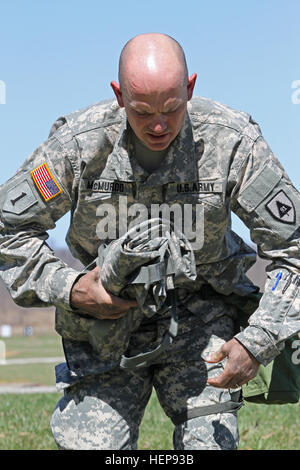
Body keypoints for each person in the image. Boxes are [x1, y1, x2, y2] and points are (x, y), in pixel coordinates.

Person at [0, 33, 299, 450]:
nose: (158, 125)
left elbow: (294, 249)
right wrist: (70, 288)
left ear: (190, 89)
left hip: (201, 316)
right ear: (119, 96)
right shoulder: (77, 147)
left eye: (172, 109)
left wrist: (256, 341)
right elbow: (8, 229)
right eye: (142, 112)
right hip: (104, 324)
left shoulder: (231, 143)